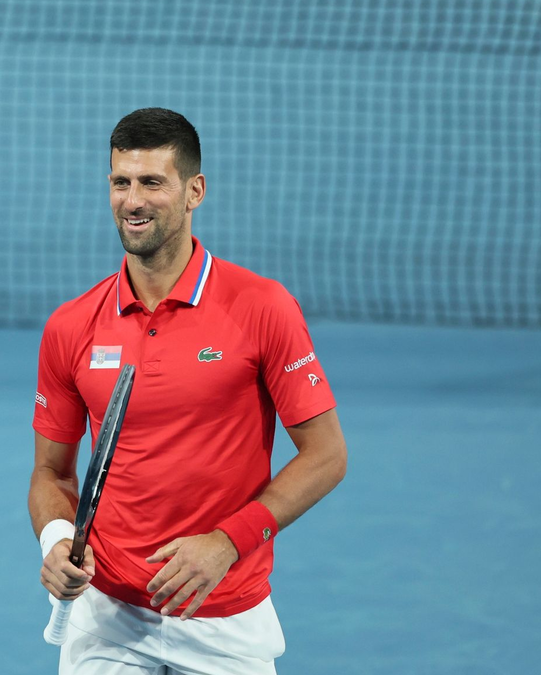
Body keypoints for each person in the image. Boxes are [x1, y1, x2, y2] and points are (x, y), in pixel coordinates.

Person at [28, 108, 347, 674]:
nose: (133, 201)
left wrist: (227, 542)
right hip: (107, 618)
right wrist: (55, 538)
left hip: (224, 617)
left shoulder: (263, 308)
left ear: (194, 190)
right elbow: (52, 474)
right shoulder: (71, 326)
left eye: (152, 182)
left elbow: (326, 455)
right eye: (121, 182)